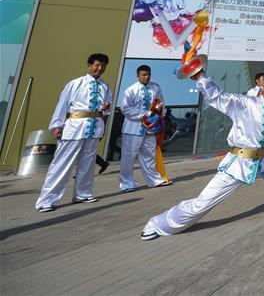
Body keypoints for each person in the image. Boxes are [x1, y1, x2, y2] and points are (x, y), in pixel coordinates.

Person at [140, 71, 264, 240]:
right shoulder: (244, 103)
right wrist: (200, 77)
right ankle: (157, 224)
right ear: (263, 86)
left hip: (262, 161)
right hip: (238, 164)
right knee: (203, 203)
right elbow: (217, 96)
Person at [35, 53, 113, 212]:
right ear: (89, 65)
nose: (100, 68)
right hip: (74, 127)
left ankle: (82, 194)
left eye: (103, 65)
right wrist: (57, 125)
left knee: (88, 164)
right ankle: (46, 200)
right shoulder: (75, 83)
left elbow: (107, 110)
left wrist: (106, 108)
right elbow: (62, 104)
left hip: (94, 128)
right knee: (62, 163)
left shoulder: (106, 87)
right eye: (97, 64)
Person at [119, 65, 169, 192]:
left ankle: (154, 180)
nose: (146, 77)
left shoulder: (156, 87)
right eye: (143, 75)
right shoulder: (131, 90)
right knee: (128, 157)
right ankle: (127, 183)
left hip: (150, 129)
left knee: (149, 155)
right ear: (138, 76)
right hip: (132, 129)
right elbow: (125, 108)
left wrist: (158, 119)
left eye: (148, 74)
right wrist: (145, 115)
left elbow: (160, 104)